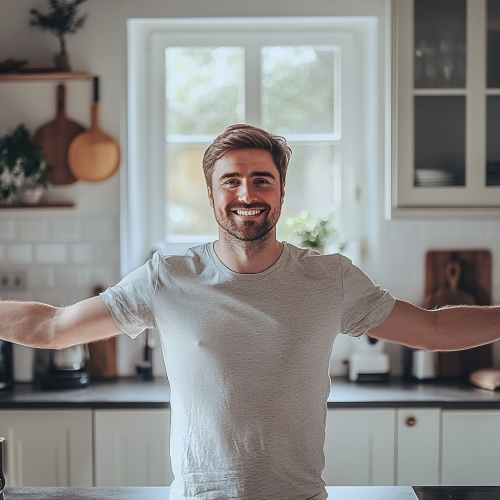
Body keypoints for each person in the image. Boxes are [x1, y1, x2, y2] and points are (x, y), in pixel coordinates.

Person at [1, 123, 499, 500]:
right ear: (213, 194)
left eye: (262, 180)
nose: (247, 194)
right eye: (231, 181)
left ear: (281, 192)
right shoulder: (167, 277)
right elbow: (52, 327)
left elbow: (432, 330)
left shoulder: (330, 278)